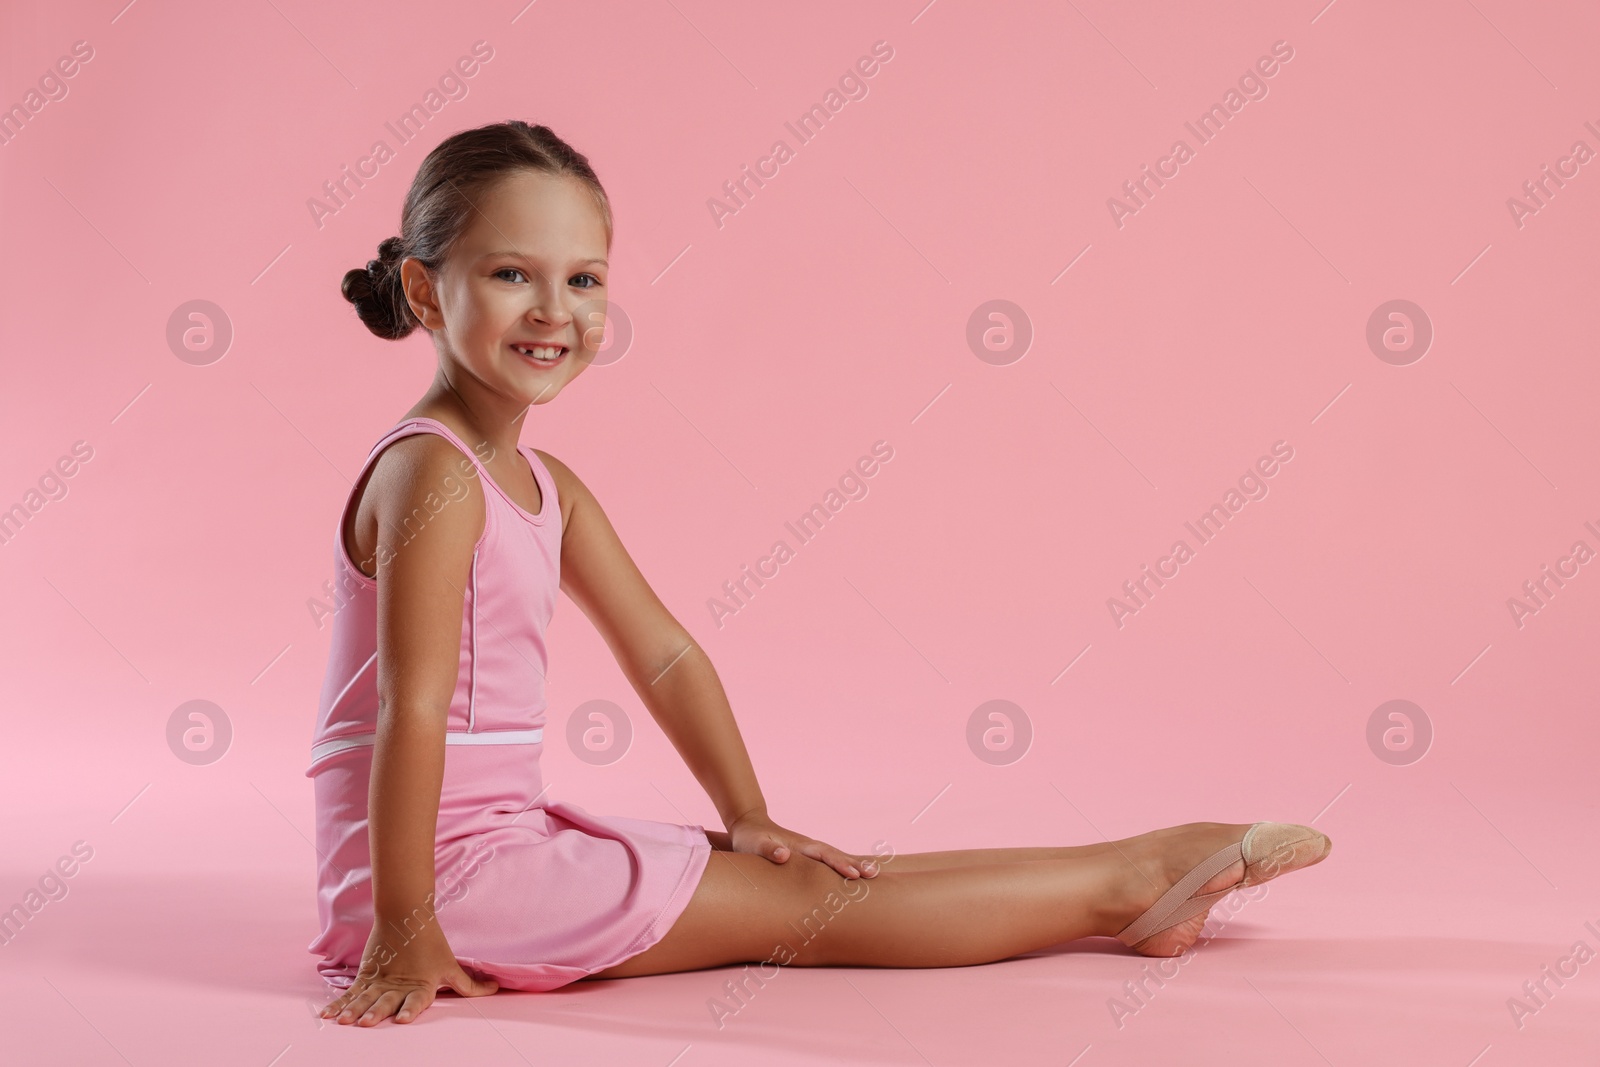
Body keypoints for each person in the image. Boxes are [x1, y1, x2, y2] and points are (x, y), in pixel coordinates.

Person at [312, 119, 1332, 1027]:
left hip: (494, 845)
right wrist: (405, 926)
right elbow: (414, 705)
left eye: (583, 279)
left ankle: (1134, 880)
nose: (553, 309)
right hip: (438, 877)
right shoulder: (430, 474)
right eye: (510, 274)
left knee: (816, 872)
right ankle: (1133, 881)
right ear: (422, 290)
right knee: (818, 910)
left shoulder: (540, 479)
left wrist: (748, 813)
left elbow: (663, 652)